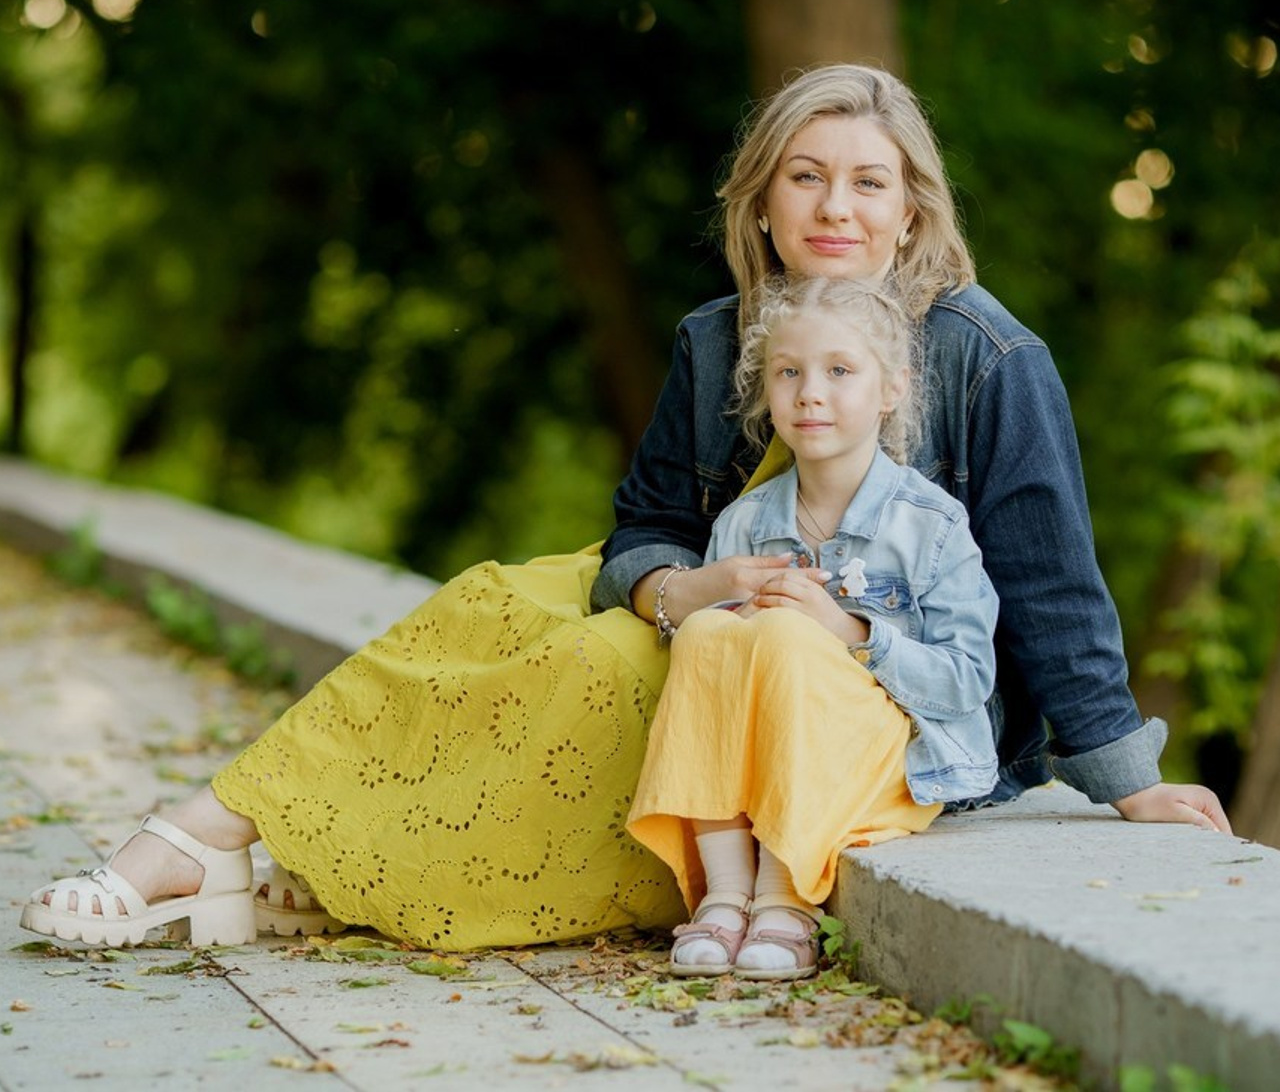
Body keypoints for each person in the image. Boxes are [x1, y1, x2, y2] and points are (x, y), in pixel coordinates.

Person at [20, 63, 1230, 953]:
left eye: (869, 183)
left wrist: (1122, 772)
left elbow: (1048, 582)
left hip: (864, 674)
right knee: (489, 609)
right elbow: (644, 523)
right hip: (705, 609)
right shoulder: (717, 343)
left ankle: (248, 857)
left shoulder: (984, 359)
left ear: (909, 211)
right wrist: (676, 584)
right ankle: (227, 828)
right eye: (804, 177)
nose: (835, 208)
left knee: (597, 675)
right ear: (760, 202)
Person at [627, 275, 1000, 981]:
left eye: (839, 371)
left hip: (894, 758)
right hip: (771, 757)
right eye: (789, 372)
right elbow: (721, 693)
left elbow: (967, 681)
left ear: (890, 388)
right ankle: (727, 894)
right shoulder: (743, 523)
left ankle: (785, 900)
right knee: (707, 632)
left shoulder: (931, 527)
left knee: (792, 633)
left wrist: (855, 633)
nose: (811, 393)